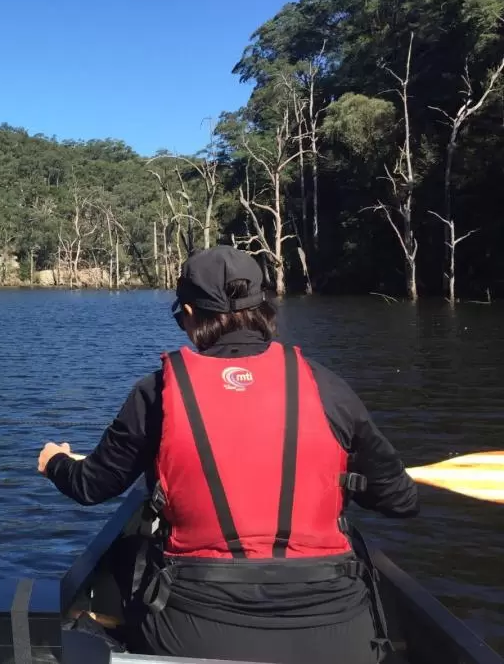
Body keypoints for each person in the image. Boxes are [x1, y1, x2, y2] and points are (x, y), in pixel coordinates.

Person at [37, 245, 418, 664]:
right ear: (263, 308)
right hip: (337, 633)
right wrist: (347, 480)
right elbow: (401, 501)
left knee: (130, 551)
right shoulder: (328, 388)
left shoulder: (156, 394)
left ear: (188, 312)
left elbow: (92, 486)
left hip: (195, 632)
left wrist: (54, 462)